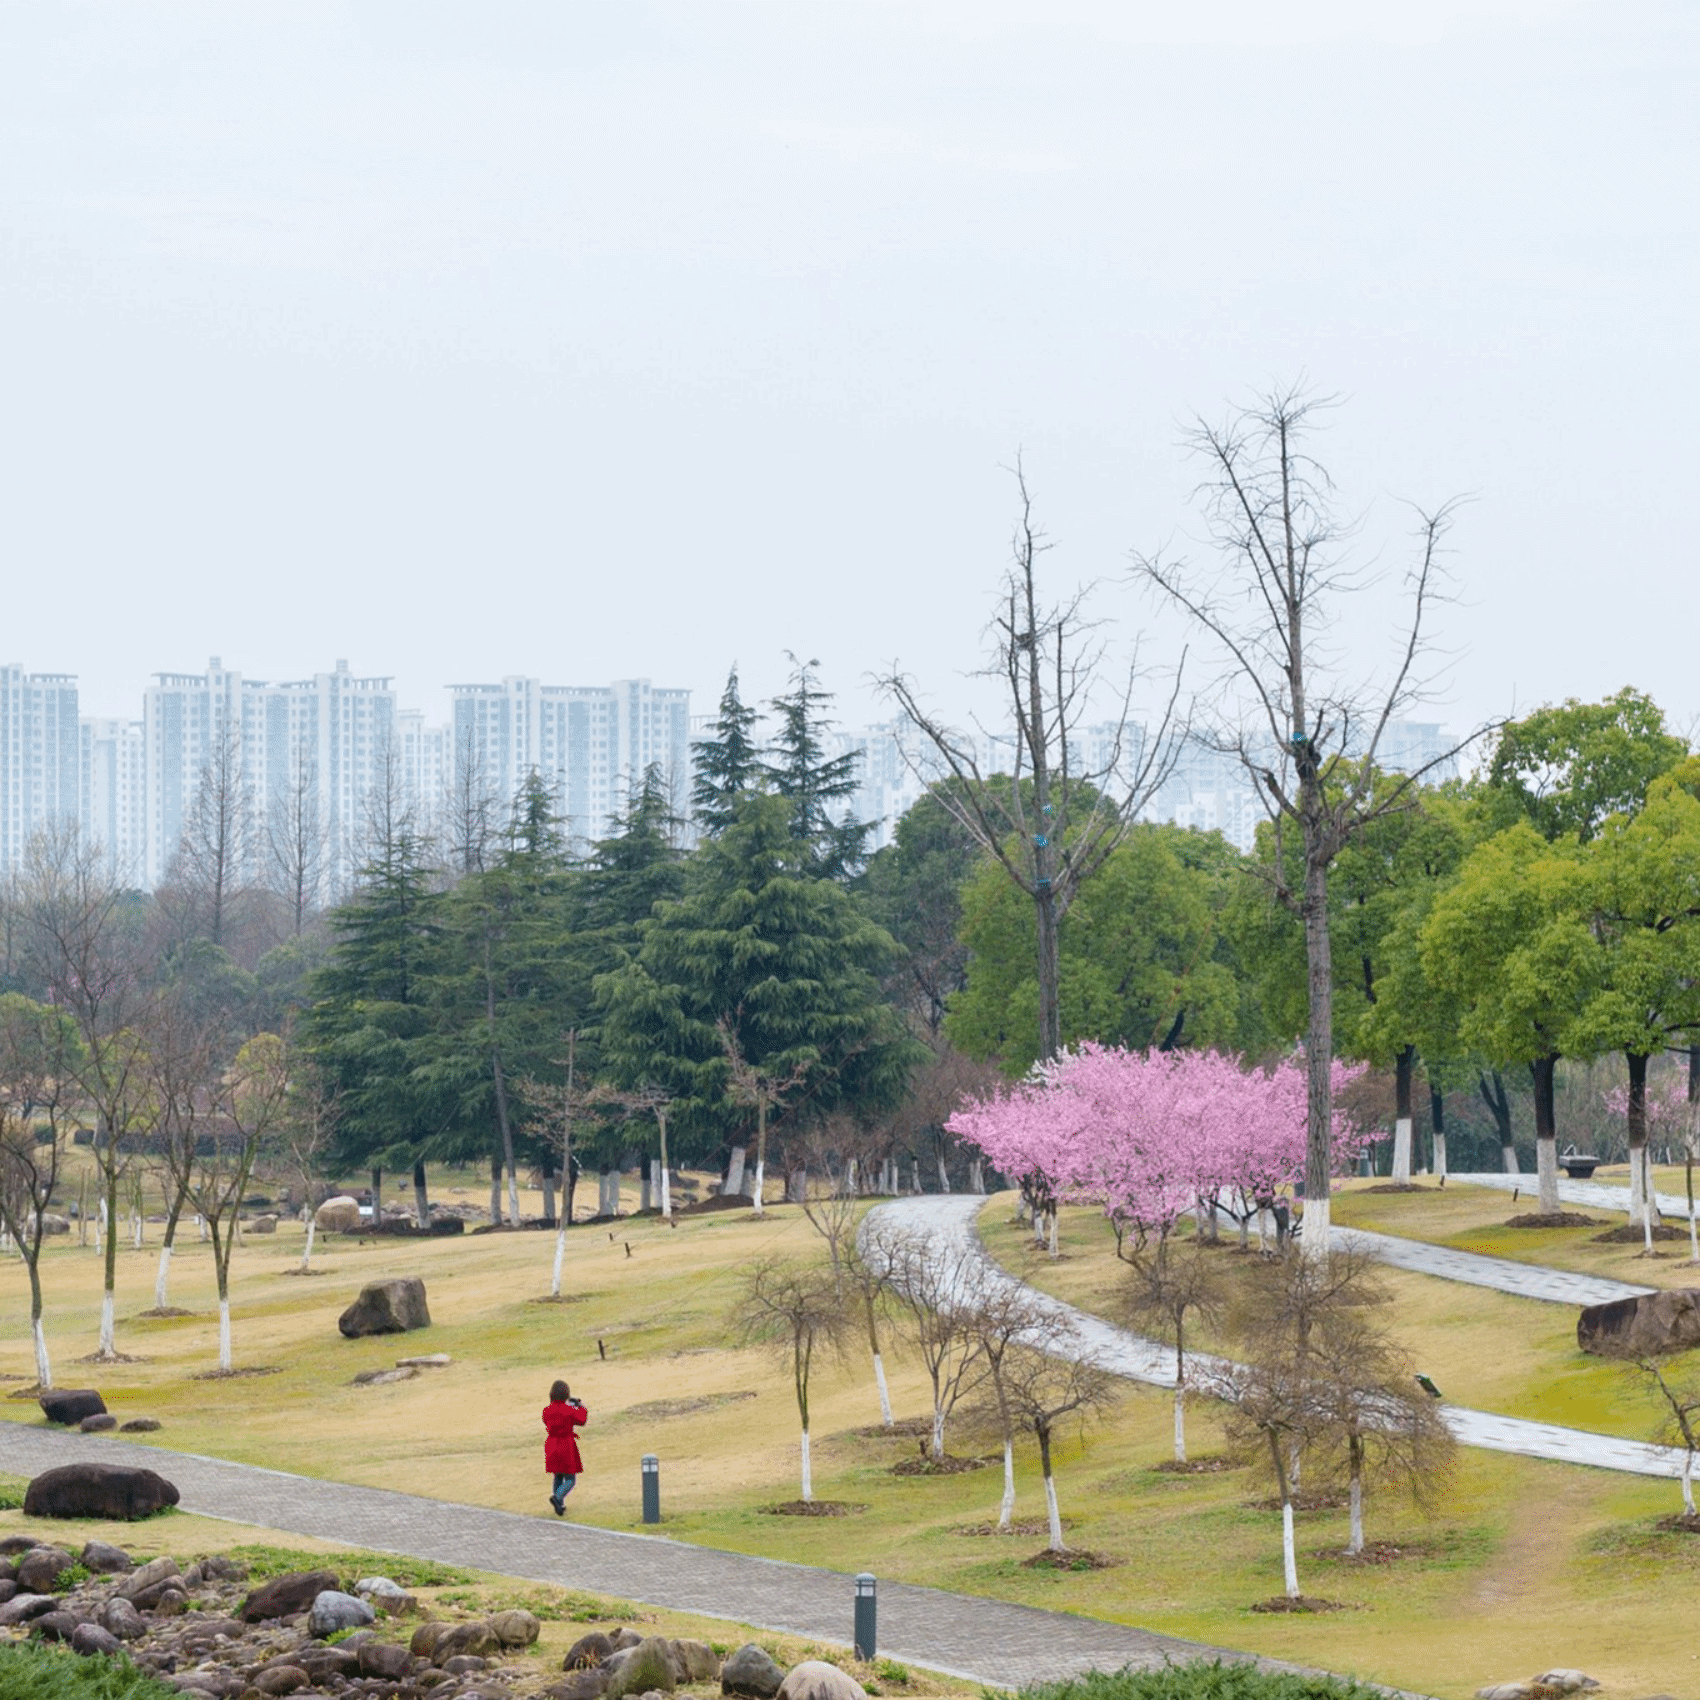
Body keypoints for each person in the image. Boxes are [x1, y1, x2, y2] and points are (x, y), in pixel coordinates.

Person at [542, 1379, 588, 1516]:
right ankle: (558, 1497)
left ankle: (559, 1506)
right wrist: (580, 1406)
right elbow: (582, 1420)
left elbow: (546, 1420)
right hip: (566, 1445)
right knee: (570, 1479)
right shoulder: (568, 1410)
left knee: (557, 1475)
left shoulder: (547, 1411)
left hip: (551, 1444)